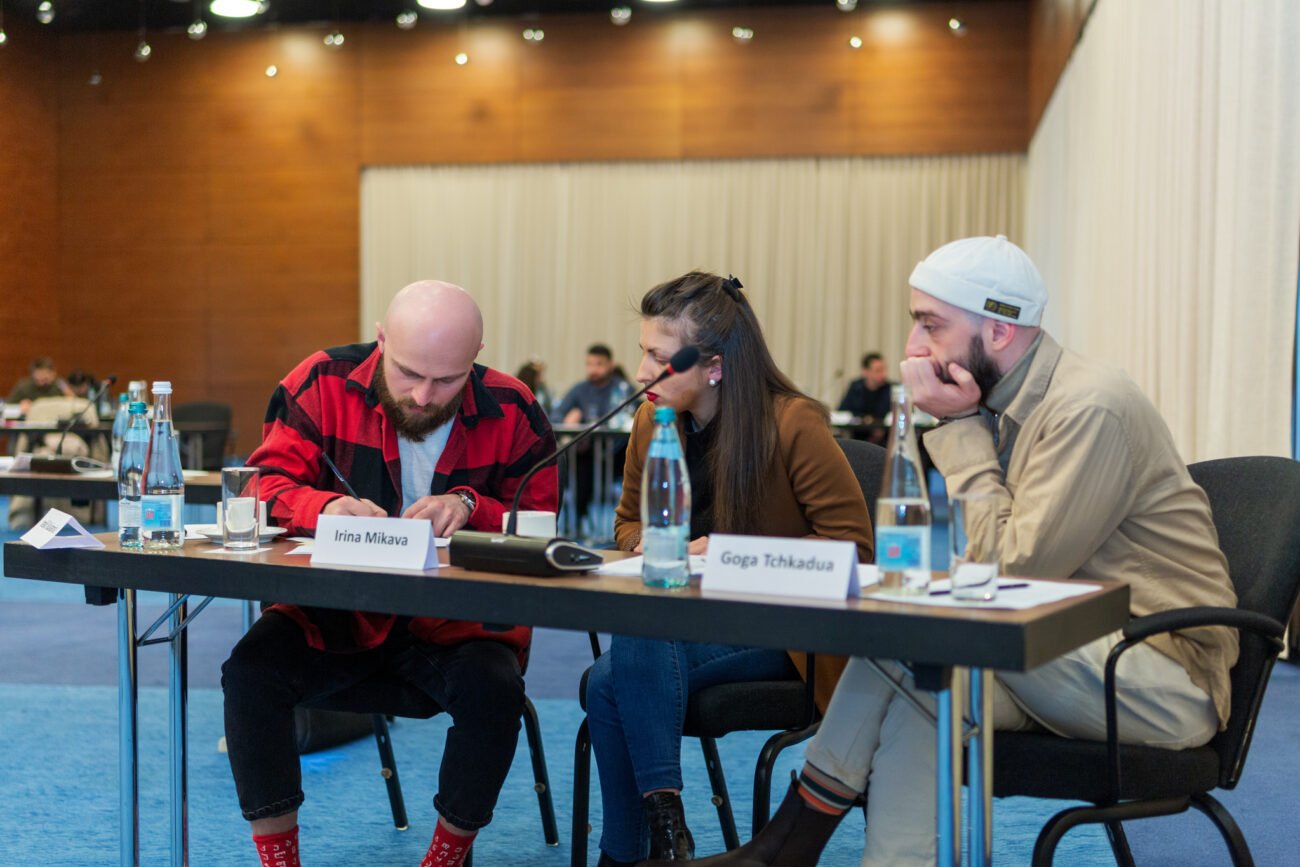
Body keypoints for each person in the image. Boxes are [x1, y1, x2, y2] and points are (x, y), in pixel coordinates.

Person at [648, 236, 1240, 867]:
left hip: (1157, 675)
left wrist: (958, 430)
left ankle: (786, 845)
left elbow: (1006, 574)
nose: (913, 348)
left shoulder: (1087, 406)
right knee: (923, 687)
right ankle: (809, 849)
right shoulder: (1005, 408)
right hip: (1068, 652)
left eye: (931, 326)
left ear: (999, 330)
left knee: (918, 639)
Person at [221, 281, 558, 867]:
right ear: (381, 340)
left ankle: (444, 857)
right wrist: (323, 506)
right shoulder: (321, 383)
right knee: (250, 673)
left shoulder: (513, 408)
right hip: (335, 611)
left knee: (494, 692)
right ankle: (278, 860)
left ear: (476, 357)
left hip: (455, 625)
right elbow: (260, 486)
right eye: (407, 373)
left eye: (447, 380)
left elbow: (541, 521)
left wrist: (472, 506)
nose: (423, 396)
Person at [588, 271, 874, 866]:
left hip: (786, 630)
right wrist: (657, 544)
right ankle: (663, 835)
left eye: (659, 358)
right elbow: (626, 524)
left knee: (610, 675)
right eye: (643, 352)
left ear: (714, 366)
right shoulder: (651, 420)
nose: (640, 372)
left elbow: (853, 549)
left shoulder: (792, 423)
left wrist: (723, 553)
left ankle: (637, 850)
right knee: (620, 661)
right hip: (686, 622)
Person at [554, 343, 629, 426]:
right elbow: (556, 416)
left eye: (599, 364)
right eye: (589, 364)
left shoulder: (622, 388)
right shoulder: (579, 389)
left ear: (610, 364)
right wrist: (566, 421)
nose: (593, 369)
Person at [837, 352, 891, 420]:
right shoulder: (855, 388)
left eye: (883, 370)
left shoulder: (891, 389)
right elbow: (842, 412)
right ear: (865, 371)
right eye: (878, 370)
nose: (883, 374)